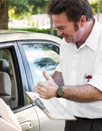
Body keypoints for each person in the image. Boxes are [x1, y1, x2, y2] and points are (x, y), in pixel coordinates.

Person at [35, 0, 102, 131]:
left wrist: (58, 91)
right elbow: (62, 72)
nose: (59, 33)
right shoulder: (66, 43)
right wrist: (50, 84)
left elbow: (98, 91)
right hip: (73, 121)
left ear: (82, 21)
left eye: (62, 28)